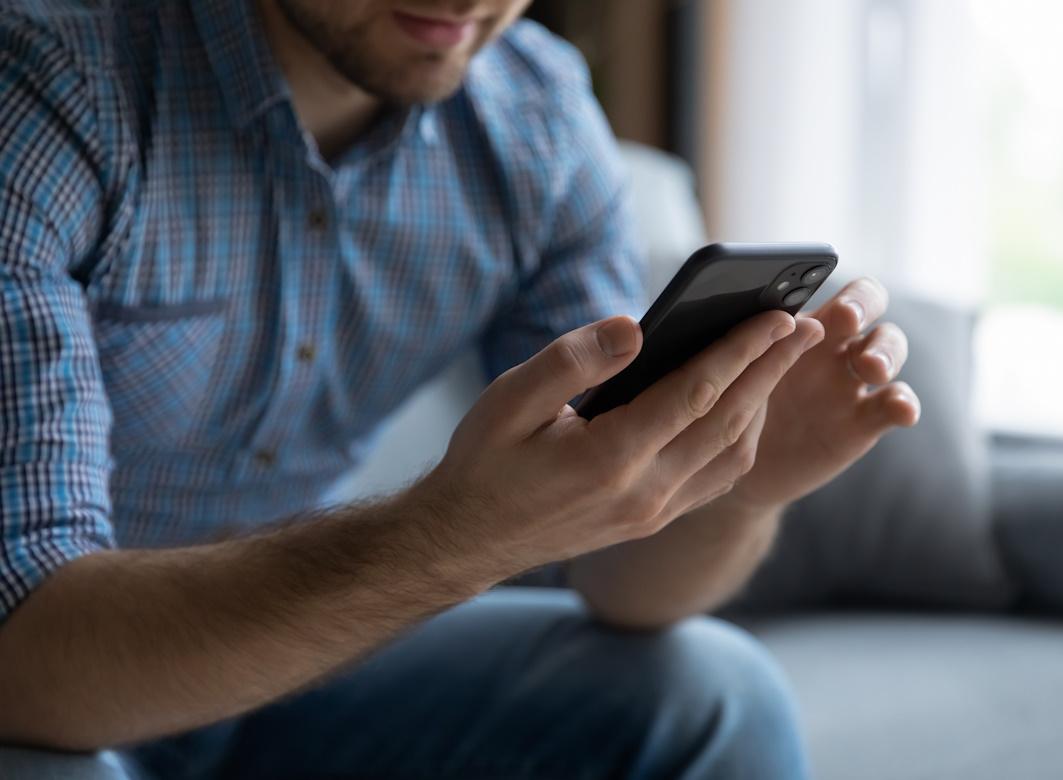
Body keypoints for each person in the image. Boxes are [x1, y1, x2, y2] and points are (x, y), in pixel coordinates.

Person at [0, 1, 920, 777]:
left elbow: (623, 586)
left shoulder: (534, 118)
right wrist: (453, 537)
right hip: (57, 672)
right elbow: (26, 650)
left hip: (289, 672)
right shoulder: (47, 87)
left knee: (714, 694)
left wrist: (734, 477)